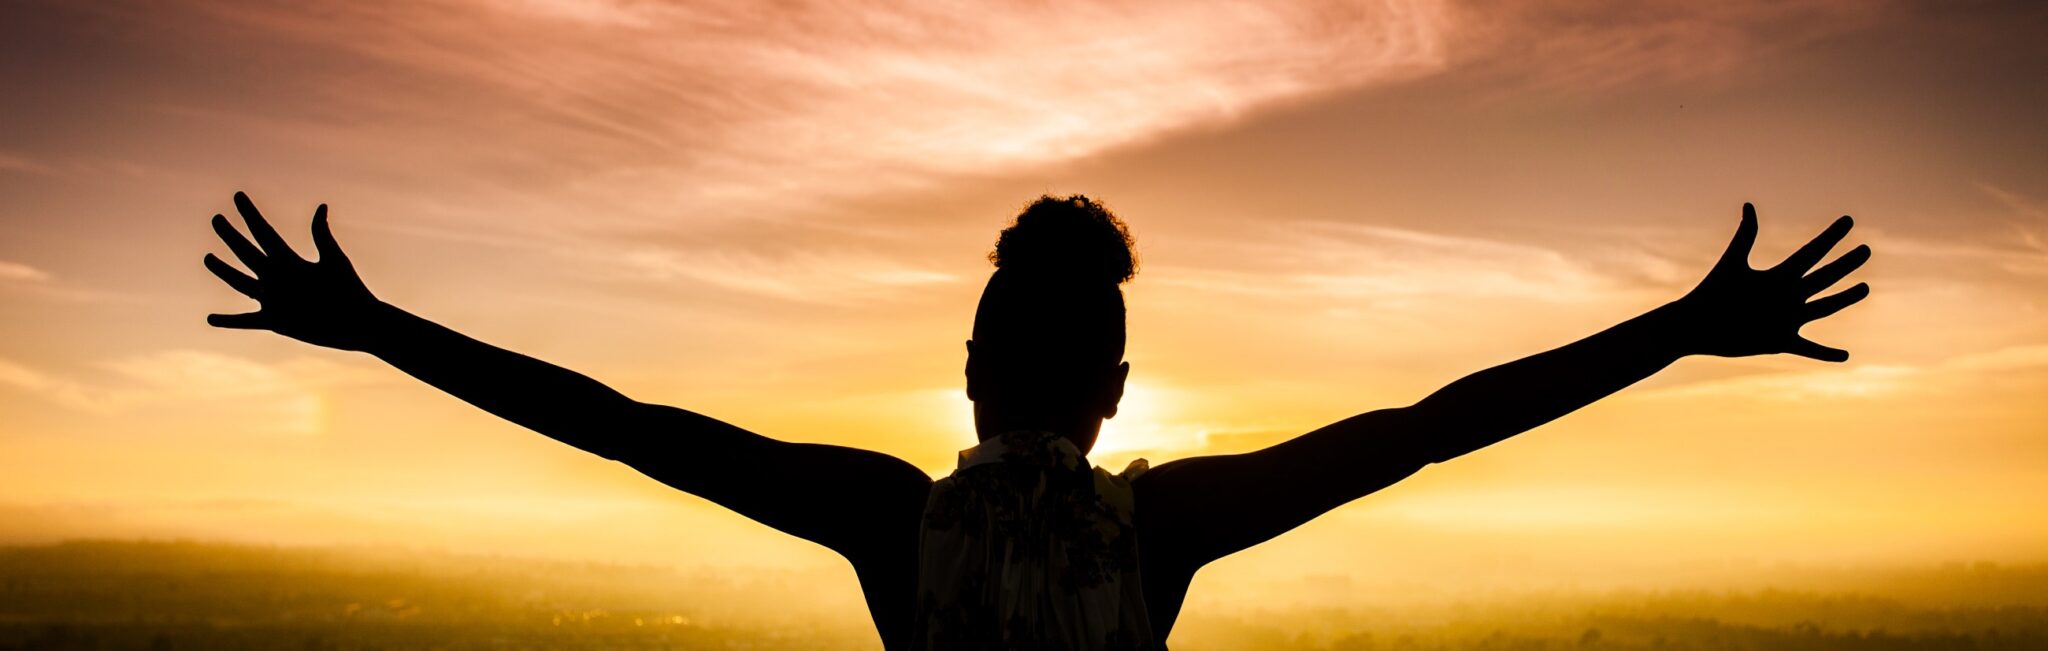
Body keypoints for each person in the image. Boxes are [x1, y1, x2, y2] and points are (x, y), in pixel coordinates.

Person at [203, 192, 1870, 649]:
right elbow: (1441, 422)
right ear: (1115, 391)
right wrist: (1680, 330)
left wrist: (372, 330)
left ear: (974, 368)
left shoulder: (884, 517)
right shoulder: (1162, 531)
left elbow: (615, 422)